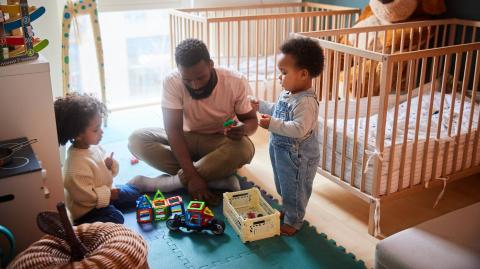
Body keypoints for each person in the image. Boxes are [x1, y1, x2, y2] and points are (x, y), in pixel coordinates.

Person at [128, 38, 258, 205]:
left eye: (200, 78)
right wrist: (193, 176)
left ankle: (169, 183)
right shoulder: (172, 82)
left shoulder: (235, 81)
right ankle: (213, 179)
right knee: (136, 140)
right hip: (184, 138)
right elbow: (173, 130)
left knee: (244, 148)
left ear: (211, 64)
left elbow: (251, 121)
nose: (195, 85)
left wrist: (243, 129)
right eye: (187, 80)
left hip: (219, 142)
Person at [251, 37, 324, 236]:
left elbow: (299, 128)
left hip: (298, 158)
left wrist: (272, 124)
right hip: (280, 150)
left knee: (295, 189)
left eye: (283, 73)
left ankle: (295, 219)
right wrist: (261, 106)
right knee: (283, 184)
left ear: (303, 74)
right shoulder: (288, 93)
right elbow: (278, 109)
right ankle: (289, 210)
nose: (279, 77)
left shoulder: (306, 102)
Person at [54, 93, 140, 225]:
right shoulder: (75, 165)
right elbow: (85, 198)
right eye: (95, 129)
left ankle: (114, 203)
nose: (101, 131)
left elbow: (107, 173)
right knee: (117, 218)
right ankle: (96, 219)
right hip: (88, 210)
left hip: (105, 193)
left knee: (134, 193)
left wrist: (110, 165)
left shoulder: (93, 147)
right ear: (78, 135)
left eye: (100, 126)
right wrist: (110, 194)